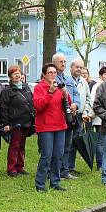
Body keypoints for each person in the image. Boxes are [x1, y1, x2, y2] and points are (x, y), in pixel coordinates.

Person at [32, 63, 69, 192]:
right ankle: (40, 184)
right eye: (50, 73)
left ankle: (55, 182)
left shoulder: (59, 87)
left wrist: (65, 95)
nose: (53, 75)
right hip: (45, 126)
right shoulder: (39, 88)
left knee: (58, 155)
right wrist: (49, 92)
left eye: (55, 72)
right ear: (44, 74)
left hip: (60, 125)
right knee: (46, 156)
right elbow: (39, 106)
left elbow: (67, 105)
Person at [0, 65, 34, 177]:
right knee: (14, 146)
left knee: (22, 145)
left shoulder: (26, 88)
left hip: (26, 121)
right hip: (14, 123)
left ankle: (20, 166)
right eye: (14, 74)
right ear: (10, 77)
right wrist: (5, 124)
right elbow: (3, 108)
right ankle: (11, 168)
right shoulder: (7, 91)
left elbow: (31, 103)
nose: (17, 75)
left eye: (19, 73)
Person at [52, 53, 80, 180]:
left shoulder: (69, 79)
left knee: (67, 144)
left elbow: (76, 94)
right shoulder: (51, 80)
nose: (63, 64)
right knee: (56, 146)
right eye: (60, 61)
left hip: (70, 117)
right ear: (54, 63)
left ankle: (64, 170)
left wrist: (75, 104)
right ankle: (53, 171)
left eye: (64, 62)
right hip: (56, 117)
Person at [66, 57, 90, 175]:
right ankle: (63, 167)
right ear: (71, 67)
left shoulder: (83, 82)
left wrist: (85, 113)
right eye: (77, 67)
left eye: (81, 67)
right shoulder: (66, 79)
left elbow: (88, 98)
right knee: (67, 142)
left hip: (80, 116)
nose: (79, 69)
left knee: (75, 142)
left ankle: (71, 166)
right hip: (68, 116)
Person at [83, 66, 106, 171]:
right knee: (100, 141)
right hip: (100, 118)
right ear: (101, 75)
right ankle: (100, 164)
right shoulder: (97, 86)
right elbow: (94, 102)